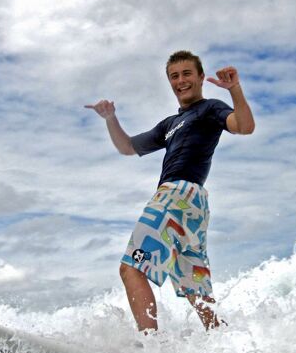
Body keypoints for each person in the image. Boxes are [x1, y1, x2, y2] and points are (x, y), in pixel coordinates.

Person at [85, 50, 255, 332]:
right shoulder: (169, 125)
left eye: (187, 73)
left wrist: (234, 89)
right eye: (174, 76)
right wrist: (110, 119)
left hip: (176, 195)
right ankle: (226, 346)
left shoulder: (210, 108)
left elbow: (245, 127)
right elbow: (127, 147)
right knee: (195, 288)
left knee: (131, 268)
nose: (181, 80)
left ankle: (152, 348)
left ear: (201, 77)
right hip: (194, 207)